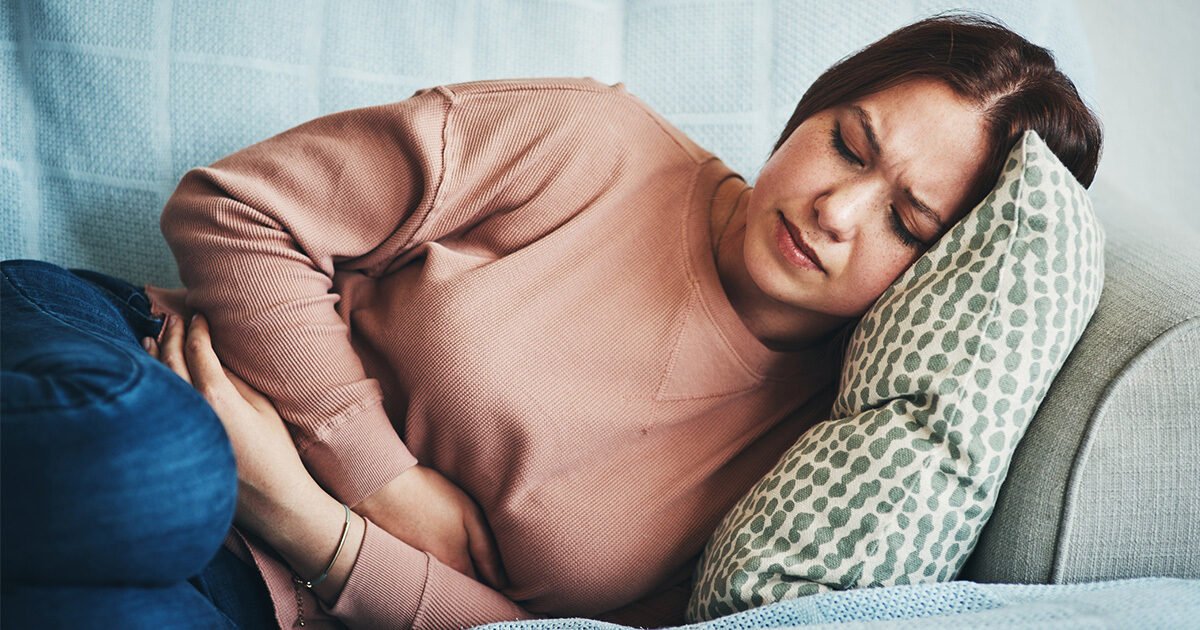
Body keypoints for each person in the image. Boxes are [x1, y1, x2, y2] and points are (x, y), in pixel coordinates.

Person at [0, 12, 1102, 629]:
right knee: (159, 482)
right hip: (138, 374)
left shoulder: (811, 464)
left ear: (944, 274)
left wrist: (310, 526)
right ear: (809, 109)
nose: (837, 208)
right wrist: (384, 482)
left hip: (259, 597)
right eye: (849, 143)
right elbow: (234, 210)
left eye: (907, 221)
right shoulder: (596, 143)